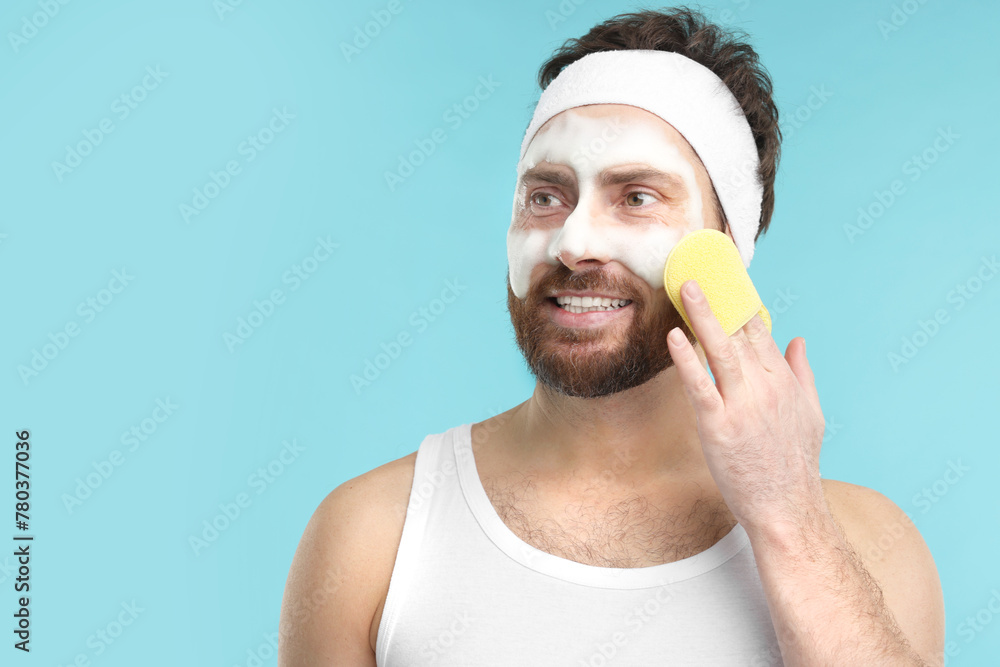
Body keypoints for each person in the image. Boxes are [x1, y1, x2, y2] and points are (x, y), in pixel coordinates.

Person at [278, 7, 944, 665]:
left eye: (636, 198)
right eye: (546, 197)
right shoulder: (372, 538)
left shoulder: (870, 545)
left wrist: (789, 516)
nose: (572, 244)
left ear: (727, 253)